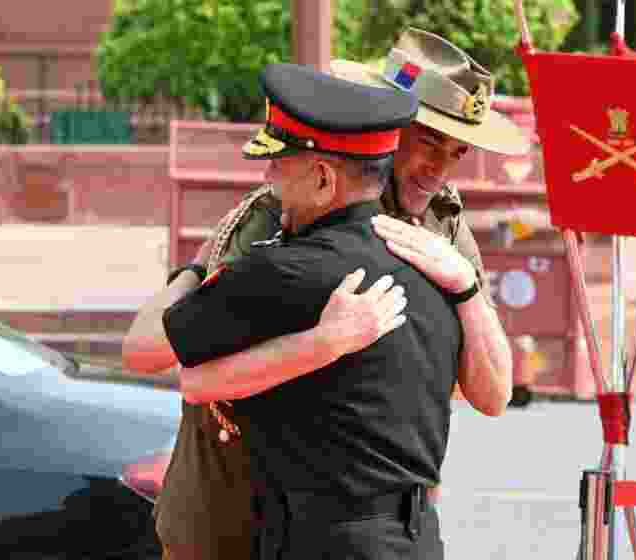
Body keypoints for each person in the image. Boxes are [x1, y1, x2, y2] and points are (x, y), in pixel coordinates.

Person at [123, 28, 532, 560]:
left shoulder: (442, 227)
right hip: (233, 512)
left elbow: (492, 393)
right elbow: (195, 364)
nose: (439, 170)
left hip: (363, 521)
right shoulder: (283, 213)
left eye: (457, 152)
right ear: (385, 120)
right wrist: (328, 342)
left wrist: (468, 290)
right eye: (429, 141)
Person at [164, 60, 462, 559]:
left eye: (279, 165)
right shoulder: (436, 274)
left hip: (323, 542)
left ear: (323, 180)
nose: (268, 177)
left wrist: (196, 268)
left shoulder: (279, 272)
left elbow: (187, 370)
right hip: (417, 540)